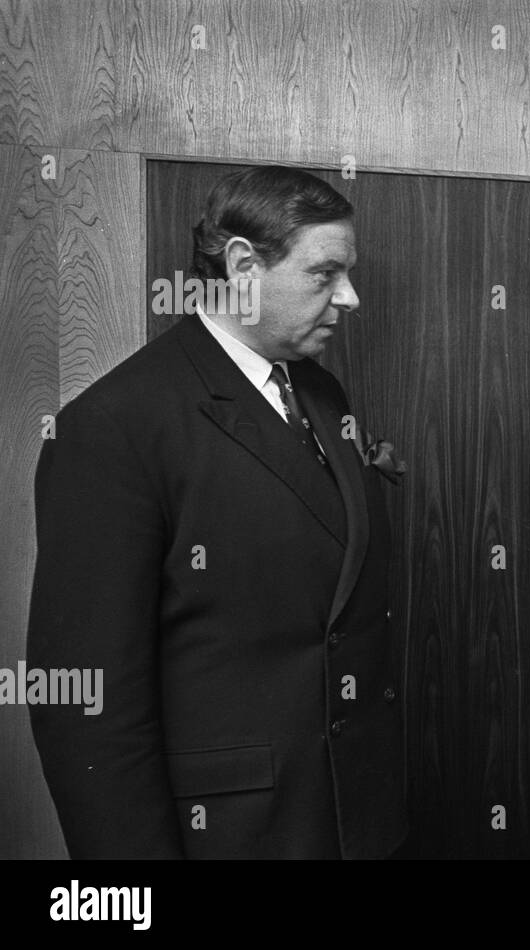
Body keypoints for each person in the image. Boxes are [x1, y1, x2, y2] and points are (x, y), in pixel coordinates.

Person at [26, 166, 407, 859]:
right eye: (325, 274)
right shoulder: (115, 426)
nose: (350, 297)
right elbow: (86, 707)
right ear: (242, 266)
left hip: (353, 822)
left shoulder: (320, 392)